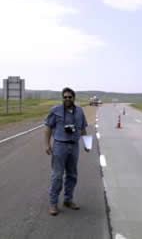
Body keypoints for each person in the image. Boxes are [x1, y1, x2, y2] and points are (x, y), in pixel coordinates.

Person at [44, 87, 89, 216]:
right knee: (57, 175)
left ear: (74, 98)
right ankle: (53, 203)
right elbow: (48, 127)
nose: (67, 99)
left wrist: (87, 144)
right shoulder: (55, 110)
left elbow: (83, 129)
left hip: (74, 146)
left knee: (72, 175)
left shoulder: (80, 111)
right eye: (65, 97)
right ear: (62, 98)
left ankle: (68, 200)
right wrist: (47, 144)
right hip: (60, 146)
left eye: (70, 97)